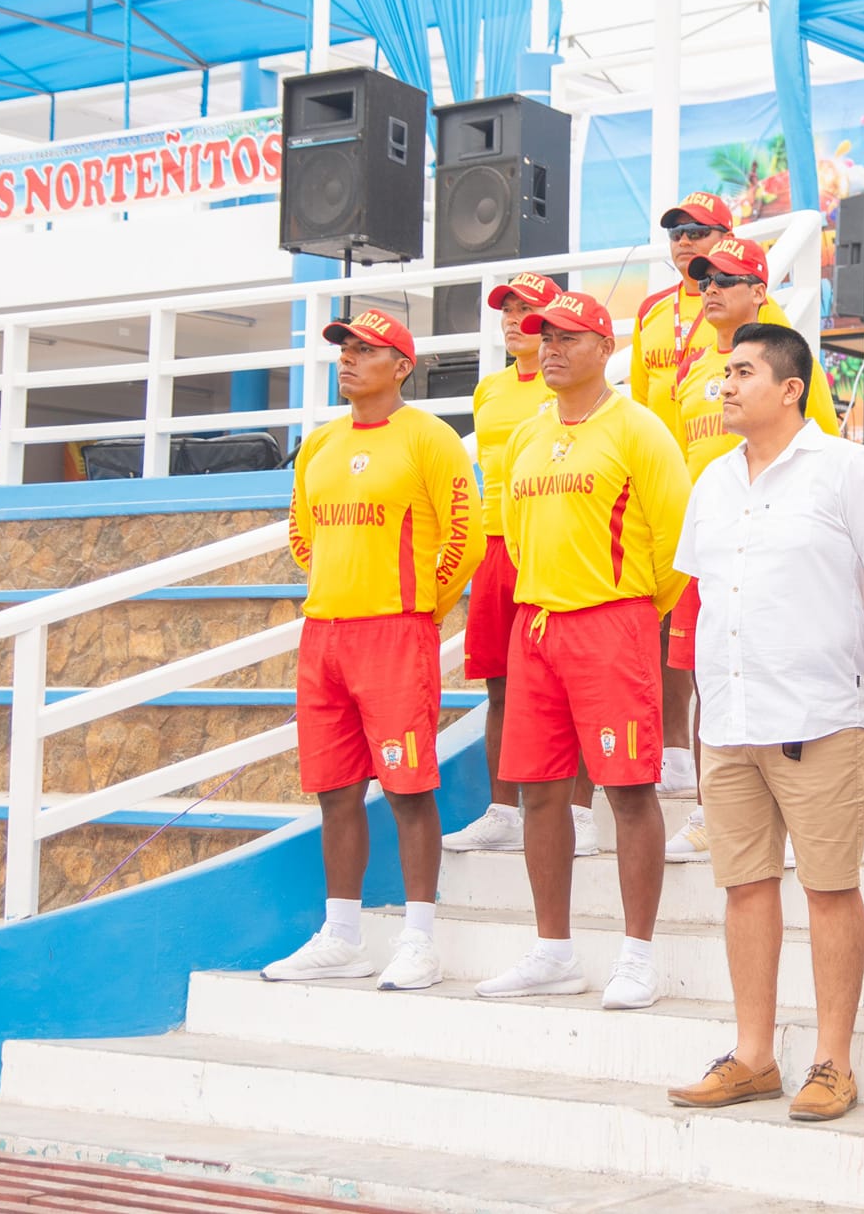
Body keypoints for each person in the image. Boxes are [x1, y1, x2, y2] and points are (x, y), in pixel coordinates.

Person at [667, 322, 864, 1124]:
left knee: (830, 888)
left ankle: (833, 1063)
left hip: (819, 719)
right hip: (730, 720)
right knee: (744, 888)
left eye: (742, 372)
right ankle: (752, 1056)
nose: (726, 385)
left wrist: (848, 672)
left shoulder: (847, 469)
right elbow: (703, 597)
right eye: (724, 372)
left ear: (790, 388)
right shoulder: (711, 482)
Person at [477, 291, 693, 1009]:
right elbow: (514, 527)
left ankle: (637, 955)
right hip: (536, 625)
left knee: (629, 790)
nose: (550, 348)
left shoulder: (639, 430)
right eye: (543, 337)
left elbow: (675, 545)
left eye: (568, 336)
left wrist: (630, 611)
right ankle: (553, 950)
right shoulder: (527, 435)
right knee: (541, 793)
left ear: (605, 346)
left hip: (612, 622)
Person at [263, 307, 481, 990]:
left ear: (402, 366)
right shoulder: (322, 443)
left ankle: (419, 938)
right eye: (344, 349)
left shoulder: (431, 437)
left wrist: (419, 609)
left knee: (407, 786)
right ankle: (342, 934)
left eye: (366, 350)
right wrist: (341, 585)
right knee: (335, 790)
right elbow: (303, 533)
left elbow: (465, 535)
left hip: (396, 633)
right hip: (325, 631)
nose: (349, 359)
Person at [661, 234, 841, 865]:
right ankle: (716, 810)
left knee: (779, 665)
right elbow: (672, 454)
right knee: (710, 674)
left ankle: (787, 817)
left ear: (760, 293)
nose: (709, 288)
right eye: (704, 279)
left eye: (727, 280)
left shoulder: (790, 363)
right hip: (710, 543)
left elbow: (825, 447)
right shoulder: (689, 365)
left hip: (778, 544)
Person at [444, 271, 600, 861]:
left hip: (556, 541)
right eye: (506, 309)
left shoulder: (570, 384)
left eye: (524, 308)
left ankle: (581, 812)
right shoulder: (489, 391)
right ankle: (501, 809)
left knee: (573, 685)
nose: (512, 318)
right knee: (499, 685)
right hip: (497, 544)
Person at [635, 191, 733, 798]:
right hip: (665, 489)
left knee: (710, 634)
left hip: (722, 490)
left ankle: (712, 774)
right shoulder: (650, 311)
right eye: (677, 233)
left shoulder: (746, 306)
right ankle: (673, 751)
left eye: (699, 231)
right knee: (669, 625)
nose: (686, 242)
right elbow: (643, 408)